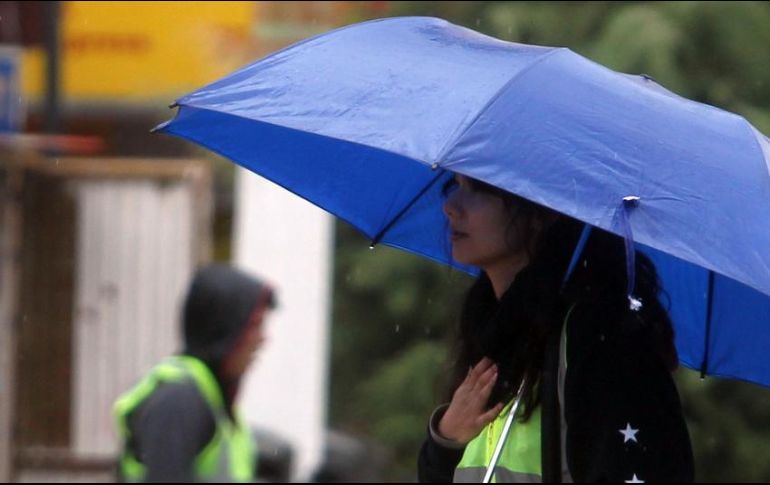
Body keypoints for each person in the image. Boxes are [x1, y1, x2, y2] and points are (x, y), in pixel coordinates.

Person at [417, 174, 694, 482]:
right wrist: (445, 441)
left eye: (480, 188)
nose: (451, 207)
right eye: (454, 186)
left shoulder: (598, 340)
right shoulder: (489, 335)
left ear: (540, 211)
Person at [114, 264, 276, 482]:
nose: (262, 340)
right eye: (254, 326)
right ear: (225, 330)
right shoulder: (179, 400)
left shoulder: (214, 400)